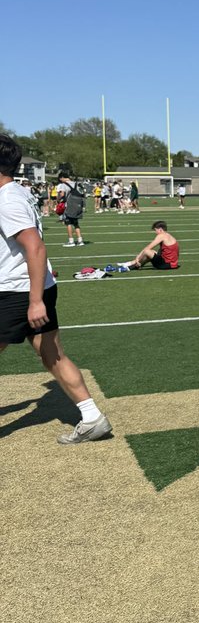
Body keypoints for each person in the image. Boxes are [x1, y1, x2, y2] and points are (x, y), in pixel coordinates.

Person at [0, 136, 112, 444]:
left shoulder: (7, 200)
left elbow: (35, 247)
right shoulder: (16, 193)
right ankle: (92, 417)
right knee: (52, 354)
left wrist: (35, 300)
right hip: (35, 286)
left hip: (19, 292)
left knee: (52, 354)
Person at [57, 174, 85, 246]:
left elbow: (62, 194)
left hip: (70, 205)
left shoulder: (63, 185)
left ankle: (71, 241)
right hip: (78, 205)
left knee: (68, 223)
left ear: (62, 178)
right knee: (76, 223)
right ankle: (80, 240)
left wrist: (58, 200)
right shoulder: (76, 183)